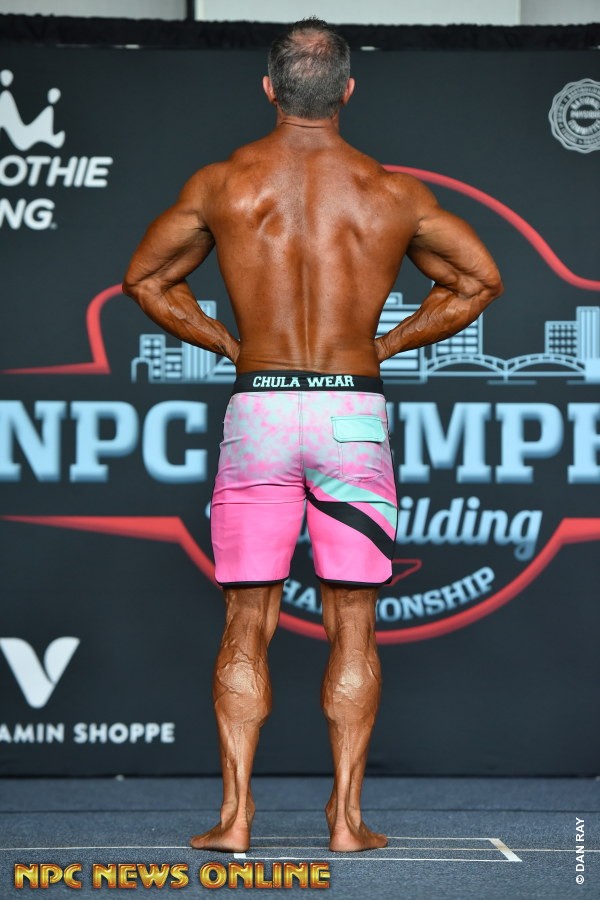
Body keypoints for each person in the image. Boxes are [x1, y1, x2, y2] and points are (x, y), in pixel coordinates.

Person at [122, 17, 503, 853]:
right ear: (348, 92)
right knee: (353, 619)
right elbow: (479, 280)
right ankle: (345, 821)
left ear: (269, 88)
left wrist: (230, 345)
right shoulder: (392, 194)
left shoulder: (223, 184)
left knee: (246, 616)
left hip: (260, 409)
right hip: (349, 412)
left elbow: (145, 278)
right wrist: (384, 346)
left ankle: (234, 820)